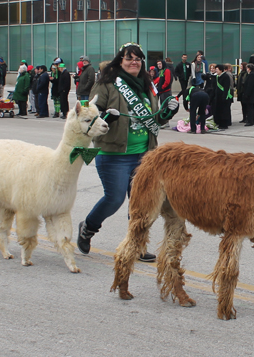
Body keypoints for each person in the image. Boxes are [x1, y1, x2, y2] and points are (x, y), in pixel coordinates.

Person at [78, 43, 179, 262]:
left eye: (138, 59)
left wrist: (167, 113)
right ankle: (88, 228)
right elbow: (89, 116)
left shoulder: (146, 84)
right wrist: (106, 118)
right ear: (120, 61)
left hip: (144, 155)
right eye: (129, 58)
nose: (134, 62)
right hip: (113, 154)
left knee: (140, 204)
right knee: (114, 199)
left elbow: (154, 120)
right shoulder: (106, 84)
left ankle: (137, 245)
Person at [212, 64, 232, 129]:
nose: (216, 71)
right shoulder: (217, 77)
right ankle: (219, 122)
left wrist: (224, 96)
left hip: (224, 96)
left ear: (221, 70)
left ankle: (224, 124)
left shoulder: (225, 76)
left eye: (217, 69)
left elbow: (226, 88)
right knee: (218, 110)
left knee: (224, 111)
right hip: (218, 96)